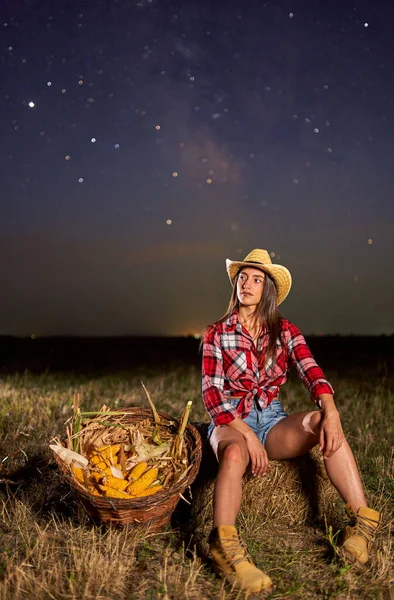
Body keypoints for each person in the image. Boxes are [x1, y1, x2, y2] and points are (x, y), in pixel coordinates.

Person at [201, 248, 381, 595]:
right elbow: (213, 395)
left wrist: (332, 412)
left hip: (271, 420)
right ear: (235, 283)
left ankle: (362, 523)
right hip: (229, 420)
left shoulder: (284, 330)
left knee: (321, 422)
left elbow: (312, 371)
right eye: (243, 277)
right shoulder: (216, 333)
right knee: (236, 455)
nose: (248, 284)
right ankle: (223, 547)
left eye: (256, 279)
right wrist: (247, 436)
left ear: (267, 288)